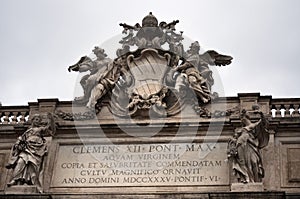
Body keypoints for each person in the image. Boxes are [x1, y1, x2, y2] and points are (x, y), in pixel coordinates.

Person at [6, 114, 55, 192]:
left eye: (38, 120)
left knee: (33, 165)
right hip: (26, 148)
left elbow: (50, 129)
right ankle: (15, 180)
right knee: (20, 162)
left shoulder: (40, 129)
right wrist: (18, 145)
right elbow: (19, 141)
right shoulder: (27, 131)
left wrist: (51, 120)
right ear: (32, 120)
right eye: (36, 119)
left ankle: (29, 181)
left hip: (37, 149)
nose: (37, 121)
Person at [228, 108, 269, 183]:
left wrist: (261, 114)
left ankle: (254, 180)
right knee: (242, 163)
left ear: (246, 117)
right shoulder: (241, 129)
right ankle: (246, 178)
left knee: (253, 162)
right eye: (240, 118)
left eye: (242, 118)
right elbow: (235, 138)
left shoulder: (253, 125)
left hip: (250, 146)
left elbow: (263, 123)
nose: (241, 120)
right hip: (240, 145)